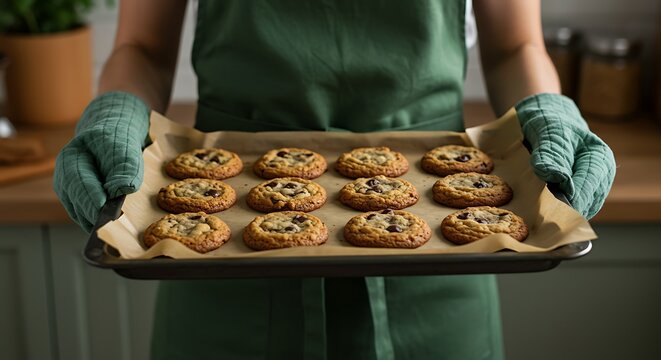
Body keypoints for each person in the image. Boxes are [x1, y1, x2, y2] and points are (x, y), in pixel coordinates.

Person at [54, 1, 616, 359]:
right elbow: (143, 48)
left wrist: (546, 112)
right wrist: (117, 114)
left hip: (442, 262)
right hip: (219, 270)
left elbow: (515, 45)